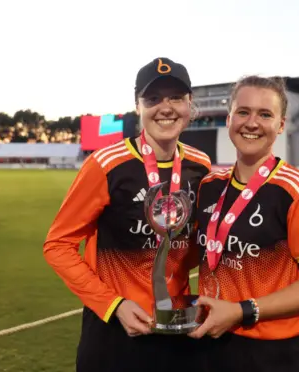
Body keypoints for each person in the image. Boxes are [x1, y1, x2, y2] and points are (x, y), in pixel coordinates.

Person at [43, 57, 212, 372]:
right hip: (114, 331)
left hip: (177, 329)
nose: (166, 107)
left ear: (190, 105)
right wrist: (113, 305)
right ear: (137, 106)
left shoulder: (200, 166)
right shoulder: (106, 165)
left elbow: (195, 244)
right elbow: (58, 245)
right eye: (153, 98)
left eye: (176, 97)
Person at [188, 75, 299, 372]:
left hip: (274, 352)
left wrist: (242, 311)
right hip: (210, 339)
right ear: (229, 118)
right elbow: (197, 253)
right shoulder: (209, 185)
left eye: (265, 114)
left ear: (281, 125)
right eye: (243, 112)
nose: (252, 123)